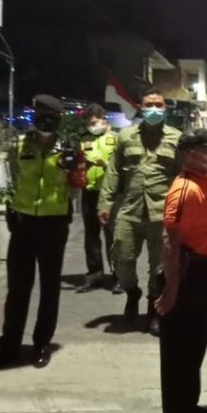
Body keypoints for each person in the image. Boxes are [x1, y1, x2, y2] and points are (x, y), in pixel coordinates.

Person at [0, 95, 79, 372]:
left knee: (50, 288)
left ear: (59, 118)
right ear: (34, 117)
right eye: (41, 115)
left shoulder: (69, 150)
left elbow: (77, 186)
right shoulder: (18, 146)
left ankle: (41, 345)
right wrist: (10, 207)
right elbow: (9, 178)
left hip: (54, 225)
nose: (45, 120)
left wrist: (66, 204)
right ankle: (8, 348)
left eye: (51, 116)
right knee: (17, 289)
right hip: (23, 224)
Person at [154, 129, 207, 413]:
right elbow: (170, 242)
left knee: (194, 346)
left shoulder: (206, 180)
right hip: (188, 273)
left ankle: (188, 406)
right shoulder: (183, 191)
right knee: (178, 352)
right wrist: (170, 291)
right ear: (190, 155)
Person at [98, 88, 182, 336]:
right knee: (121, 259)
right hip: (130, 209)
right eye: (149, 105)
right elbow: (113, 171)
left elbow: (182, 176)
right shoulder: (126, 136)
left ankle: (153, 310)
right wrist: (104, 202)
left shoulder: (177, 138)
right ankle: (132, 291)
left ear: (165, 108)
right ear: (141, 107)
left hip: (161, 212)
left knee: (159, 267)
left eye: (158, 105)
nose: (153, 109)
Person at [75, 104, 119, 294]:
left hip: (110, 193)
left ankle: (119, 277)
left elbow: (122, 166)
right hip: (89, 192)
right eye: (88, 123)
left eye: (94, 122)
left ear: (103, 119)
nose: (91, 126)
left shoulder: (116, 138)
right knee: (91, 236)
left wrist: (105, 163)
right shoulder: (83, 139)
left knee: (112, 236)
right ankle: (94, 276)